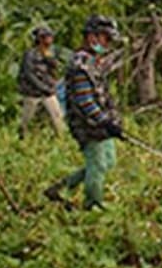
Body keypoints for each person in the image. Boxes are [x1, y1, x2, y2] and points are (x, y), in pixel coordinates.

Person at [44, 15, 124, 209]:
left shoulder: (95, 62)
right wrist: (105, 121)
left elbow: (103, 95)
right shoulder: (81, 65)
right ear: (92, 37)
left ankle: (61, 187)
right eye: (106, 38)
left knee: (108, 161)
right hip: (87, 125)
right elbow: (85, 101)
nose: (108, 43)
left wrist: (114, 119)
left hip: (100, 123)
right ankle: (92, 204)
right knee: (97, 165)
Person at [17, 26, 65, 138]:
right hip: (32, 92)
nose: (50, 40)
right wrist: (42, 87)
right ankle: (22, 139)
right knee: (26, 121)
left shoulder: (49, 53)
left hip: (47, 92)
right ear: (40, 39)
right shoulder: (30, 54)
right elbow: (29, 75)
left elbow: (54, 70)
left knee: (57, 117)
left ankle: (61, 139)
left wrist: (50, 60)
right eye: (47, 37)